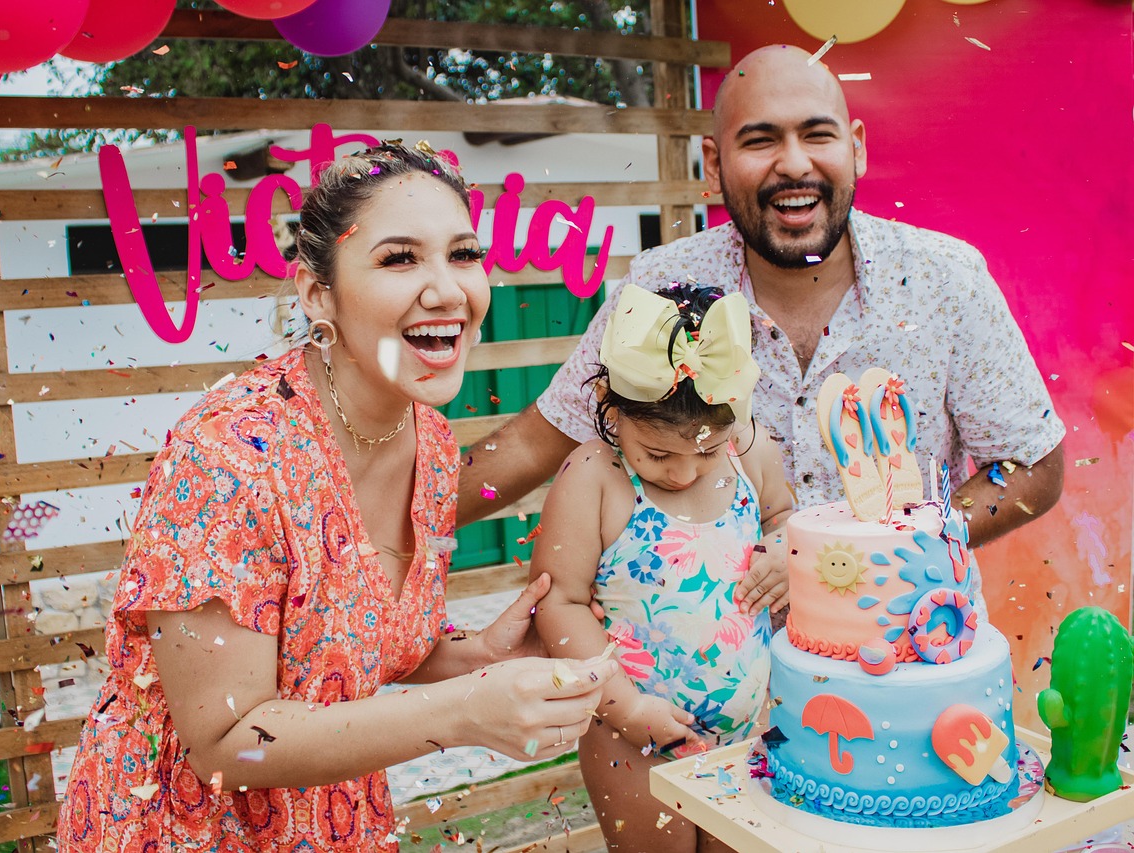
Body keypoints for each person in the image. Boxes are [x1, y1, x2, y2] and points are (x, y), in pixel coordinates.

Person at [57, 144, 619, 853]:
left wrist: (477, 656)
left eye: (464, 253)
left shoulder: (434, 445)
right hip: (183, 831)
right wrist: (461, 711)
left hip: (334, 824)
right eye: (399, 258)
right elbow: (227, 743)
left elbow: (339, 650)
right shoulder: (229, 455)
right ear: (317, 293)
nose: (447, 289)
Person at [457, 44, 1065, 562]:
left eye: (817, 134)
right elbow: (542, 439)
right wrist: (383, 530)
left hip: (904, 658)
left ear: (855, 148)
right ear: (716, 164)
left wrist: (890, 553)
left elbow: (1031, 465)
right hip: (705, 676)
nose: (794, 163)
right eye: (760, 140)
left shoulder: (947, 280)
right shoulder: (661, 285)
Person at [530, 284, 792, 852]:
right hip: (631, 732)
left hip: (753, 728)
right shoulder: (593, 478)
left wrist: (786, 549)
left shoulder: (752, 451)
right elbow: (558, 601)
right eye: (657, 453)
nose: (682, 474)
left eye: (706, 451)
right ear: (610, 403)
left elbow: (786, 519)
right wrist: (625, 707)